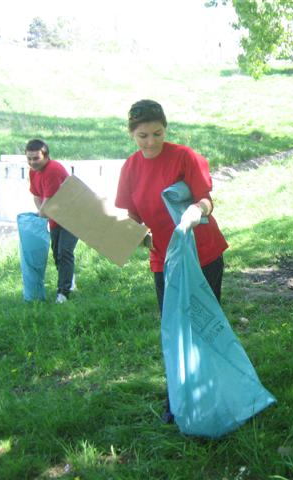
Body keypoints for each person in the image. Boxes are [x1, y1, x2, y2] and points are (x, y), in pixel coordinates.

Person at [115, 99, 228, 422]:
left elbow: (206, 199)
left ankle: (211, 395)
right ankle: (178, 400)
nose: (151, 142)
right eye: (142, 136)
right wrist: (136, 236)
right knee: (175, 329)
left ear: (165, 129)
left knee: (204, 324)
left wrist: (197, 211)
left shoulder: (184, 157)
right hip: (164, 259)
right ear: (132, 135)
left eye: (157, 133)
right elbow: (130, 216)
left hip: (202, 252)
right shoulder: (130, 168)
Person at [26, 139, 79, 304]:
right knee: (57, 254)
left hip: (73, 216)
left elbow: (48, 201)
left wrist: (40, 215)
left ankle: (63, 293)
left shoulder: (53, 170)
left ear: (46, 156)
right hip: (56, 218)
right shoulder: (33, 171)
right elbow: (37, 195)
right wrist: (41, 214)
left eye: (36, 158)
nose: (32, 162)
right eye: (29, 159)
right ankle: (70, 283)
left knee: (64, 253)